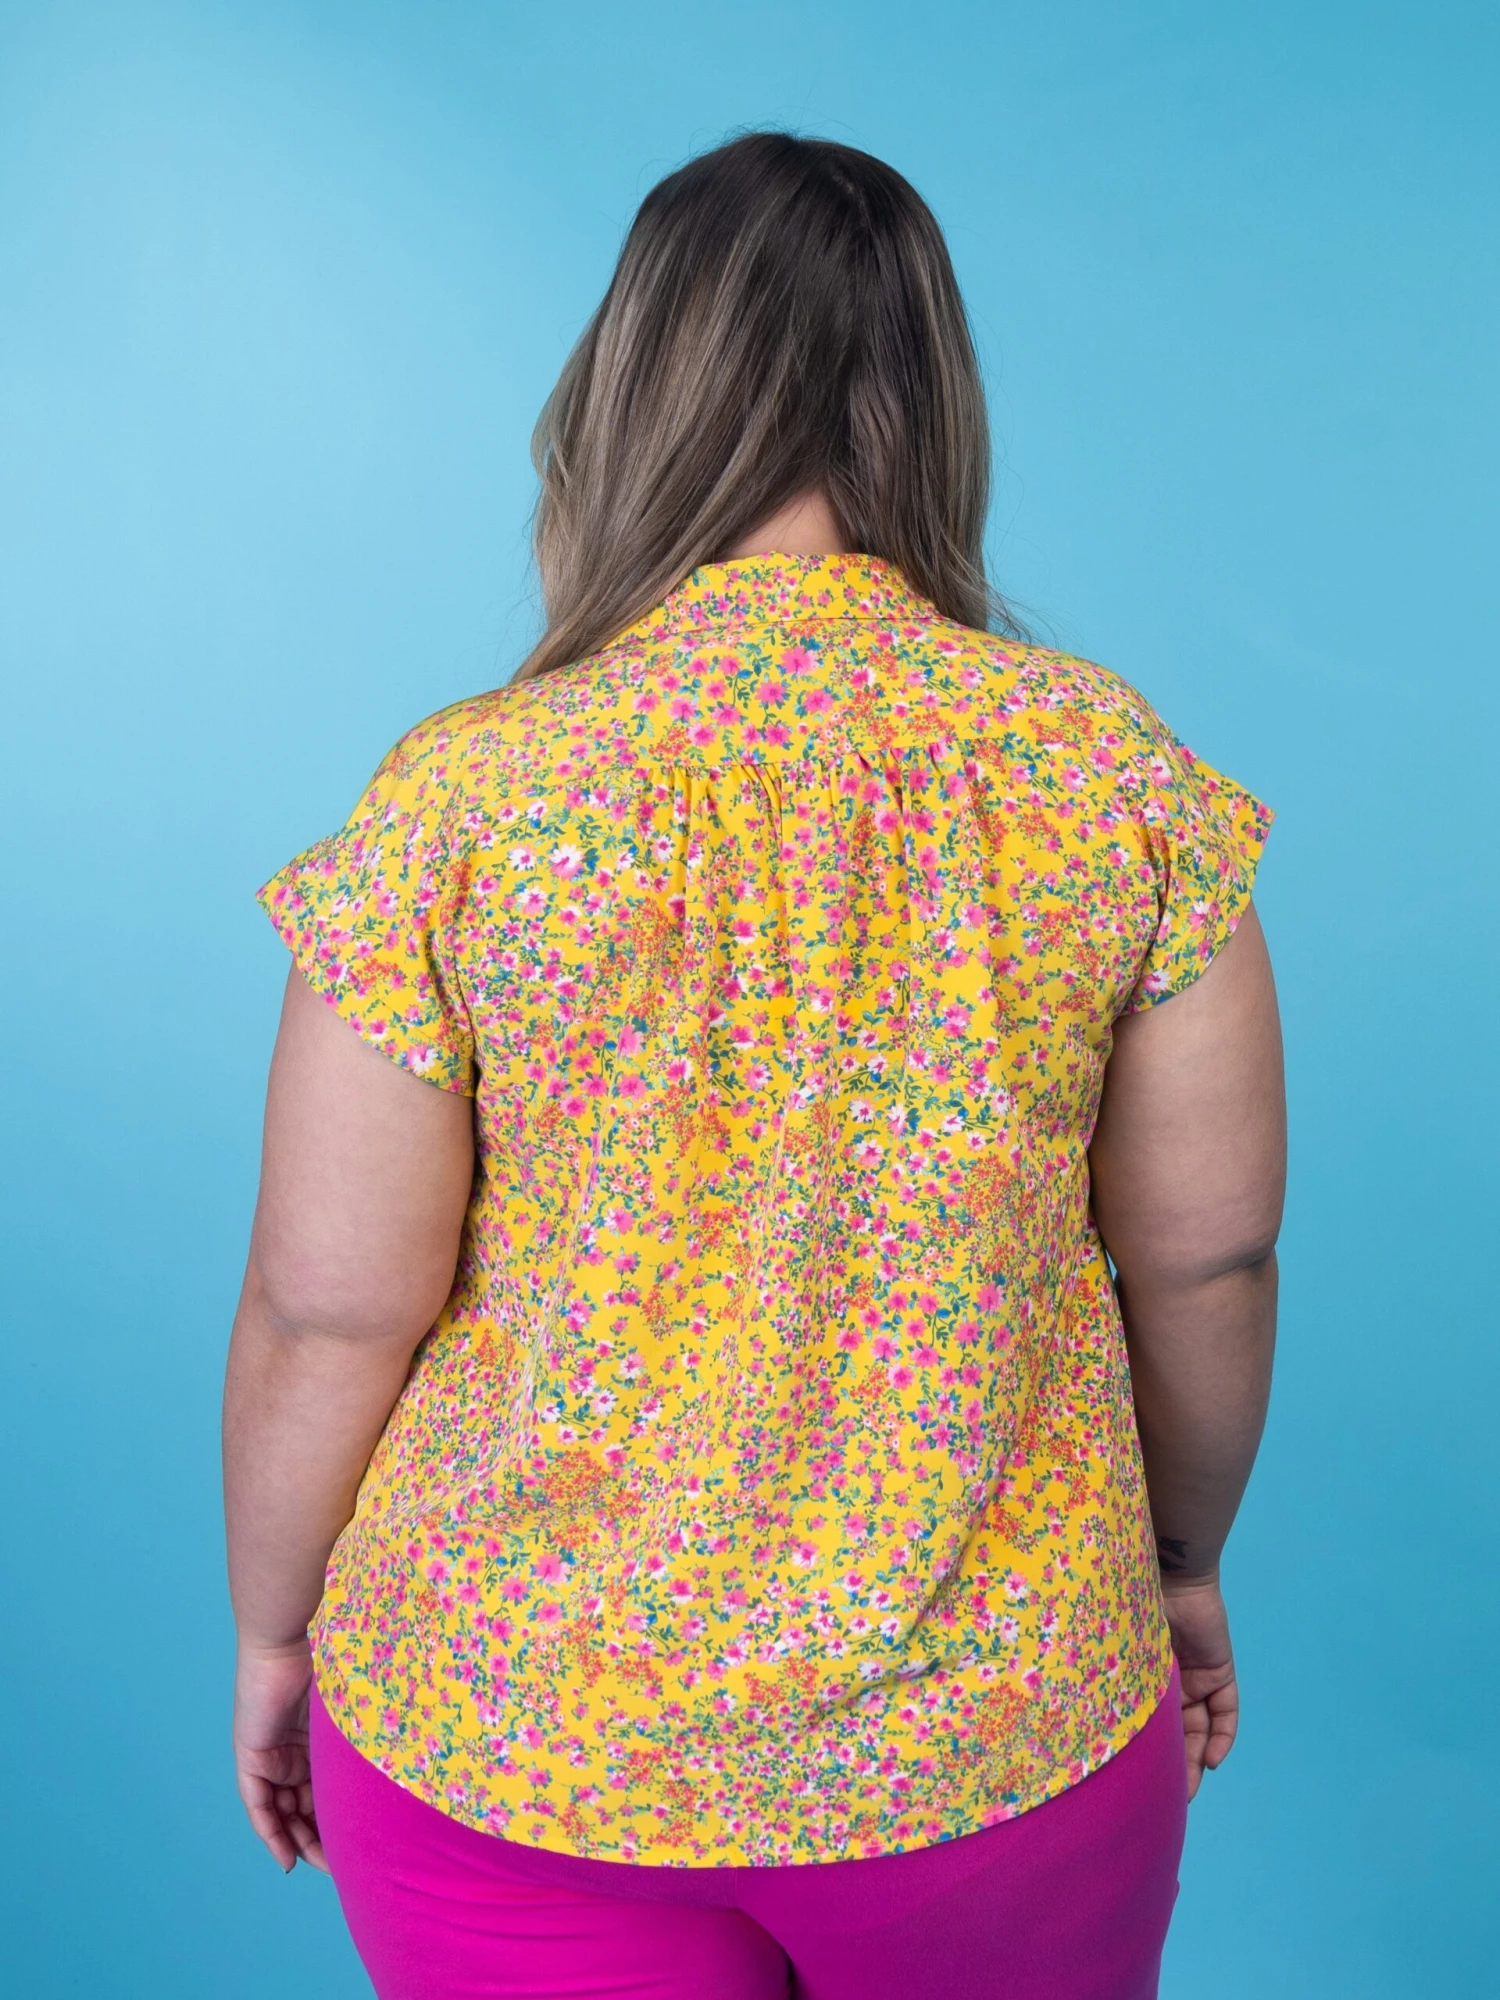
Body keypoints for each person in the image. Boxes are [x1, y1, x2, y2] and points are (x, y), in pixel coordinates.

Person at [224, 131, 1284, 2000]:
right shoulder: (1105, 773)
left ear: (629, 390)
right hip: (992, 1736)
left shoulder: (471, 795)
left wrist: (273, 1628)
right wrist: (1182, 1564)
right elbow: (1208, 1259)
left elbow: (328, 1307)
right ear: (936, 403)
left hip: (508, 1736)